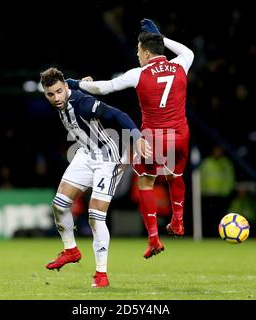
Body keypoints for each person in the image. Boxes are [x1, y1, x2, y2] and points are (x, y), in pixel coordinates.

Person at [66, 18, 194, 259]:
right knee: (174, 176)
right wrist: (161, 38)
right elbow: (187, 50)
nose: (137, 55)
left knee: (146, 182)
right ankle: (178, 222)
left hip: (153, 138)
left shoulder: (139, 74)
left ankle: (154, 239)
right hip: (179, 135)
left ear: (146, 52)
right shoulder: (182, 63)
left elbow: (104, 88)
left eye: (138, 51)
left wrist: (77, 83)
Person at [40, 67, 151, 288]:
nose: (56, 98)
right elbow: (70, 81)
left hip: (107, 159)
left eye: (59, 92)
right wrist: (81, 81)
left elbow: (119, 115)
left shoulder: (83, 104)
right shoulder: (66, 87)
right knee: (59, 205)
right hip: (84, 154)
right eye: (50, 94)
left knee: (95, 216)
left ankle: (101, 274)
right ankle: (71, 250)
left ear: (64, 88)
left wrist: (137, 137)